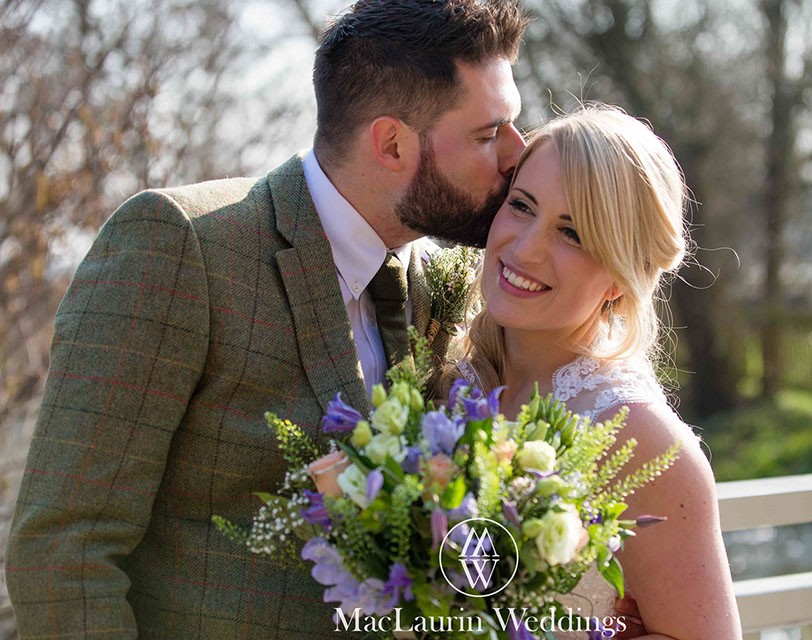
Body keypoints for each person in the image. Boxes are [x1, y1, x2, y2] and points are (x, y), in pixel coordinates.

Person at [5, 1, 528, 637]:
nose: (516, 153)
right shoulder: (181, 245)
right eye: (486, 133)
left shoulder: (427, 288)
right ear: (391, 143)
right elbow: (64, 548)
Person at [443, 105, 743, 639]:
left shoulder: (644, 444)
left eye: (573, 234)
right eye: (521, 206)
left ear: (619, 278)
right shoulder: (451, 381)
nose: (527, 247)